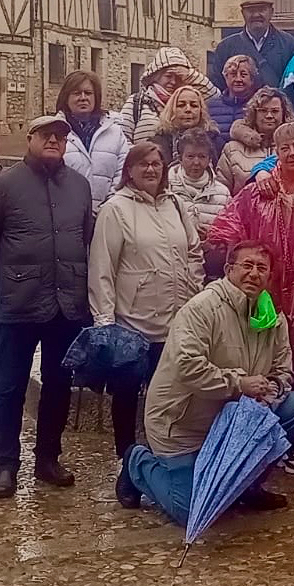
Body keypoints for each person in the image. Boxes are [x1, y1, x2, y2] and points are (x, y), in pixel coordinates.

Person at [119, 240, 294, 520]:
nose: (254, 274)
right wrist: (241, 384)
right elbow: (188, 367)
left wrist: (273, 388)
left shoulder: (273, 317)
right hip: (185, 423)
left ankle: (246, 484)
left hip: (235, 418)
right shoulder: (202, 308)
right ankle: (137, 462)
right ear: (228, 269)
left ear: (270, 276)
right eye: (246, 265)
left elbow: (284, 370)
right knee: (188, 511)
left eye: (262, 268)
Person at [0, 113, 93, 498]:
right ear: (30, 138)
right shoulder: (3, 185)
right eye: (46, 135)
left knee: (58, 385)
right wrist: (6, 283)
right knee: (9, 387)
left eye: (60, 135)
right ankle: (5, 464)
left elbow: (85, 237)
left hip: (66, 305)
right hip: (19, 304)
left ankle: (48, 459)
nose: (54, 140)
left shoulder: (80, 186)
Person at [89, 141, 203, 470]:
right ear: (129, 170)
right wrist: (104, 321)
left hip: (174, 319)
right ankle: (127, 461)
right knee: (126, 396)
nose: (151, 169)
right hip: (131, 322)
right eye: (143, 164)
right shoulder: (116, 209)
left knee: (165, 398)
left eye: (157, 163)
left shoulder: (176, 205)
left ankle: (163, 460)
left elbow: (193, 251)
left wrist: (193, 289)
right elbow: (102, 268)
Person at [205, 121, 294, 387]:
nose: (292, 153)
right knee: (260, 354)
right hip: (260, 286)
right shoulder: (256, 193)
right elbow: (226, 229)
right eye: (285, 148)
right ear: (276, 153)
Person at [58, 69, 129, 213]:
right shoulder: (55, 132)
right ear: (66, 97)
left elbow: (123, 171)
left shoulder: (115, 132)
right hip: (66, 215)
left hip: (109, 213)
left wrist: (108, 207)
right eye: (77, 93)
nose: (83, 98)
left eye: (88, 93)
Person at [207, 0, 294, 92]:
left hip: (275, 107)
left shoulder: (288, 43)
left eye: (262, 10)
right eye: (251, 11)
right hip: (238, 107)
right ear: (242, 13)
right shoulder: (226, 47)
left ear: (271, 12)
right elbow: (218, 85)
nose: (256, 15)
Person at [116, 46, 215, 144]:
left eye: (178, 77)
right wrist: (141, 155)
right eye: (168, 76)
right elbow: (120, 137)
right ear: (156, 76)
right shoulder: (137, 102)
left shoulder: (189, 100)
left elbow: (214, 95)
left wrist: (190, 74)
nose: (173, 82)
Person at [216, 87, 293, 196]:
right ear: (254, 113)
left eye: (275, 111)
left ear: (284, 114)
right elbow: (221, 192)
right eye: (263, 111)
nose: (269, 116)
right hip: (243, 211)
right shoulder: (232, 149)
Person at [167, 129, 232, 239]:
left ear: (209, 160)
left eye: (202, 156)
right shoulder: (166, 189)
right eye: (190, 156)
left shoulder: (223, 193)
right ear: (180, 158)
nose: (196, 162)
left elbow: (230, 231)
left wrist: (213, 234)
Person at [152, 84, 221, 168]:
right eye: (181, 105)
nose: (188, 109)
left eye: (194, 105)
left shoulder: (215, 142)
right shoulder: (158, 143)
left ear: (201, 111)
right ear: (171, 111)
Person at [207, 54, 260, 135]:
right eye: (233, 74)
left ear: (252, 79)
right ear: (226, 77)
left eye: (243, 75)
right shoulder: (210, 107)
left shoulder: (259, 106)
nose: (238, 79)